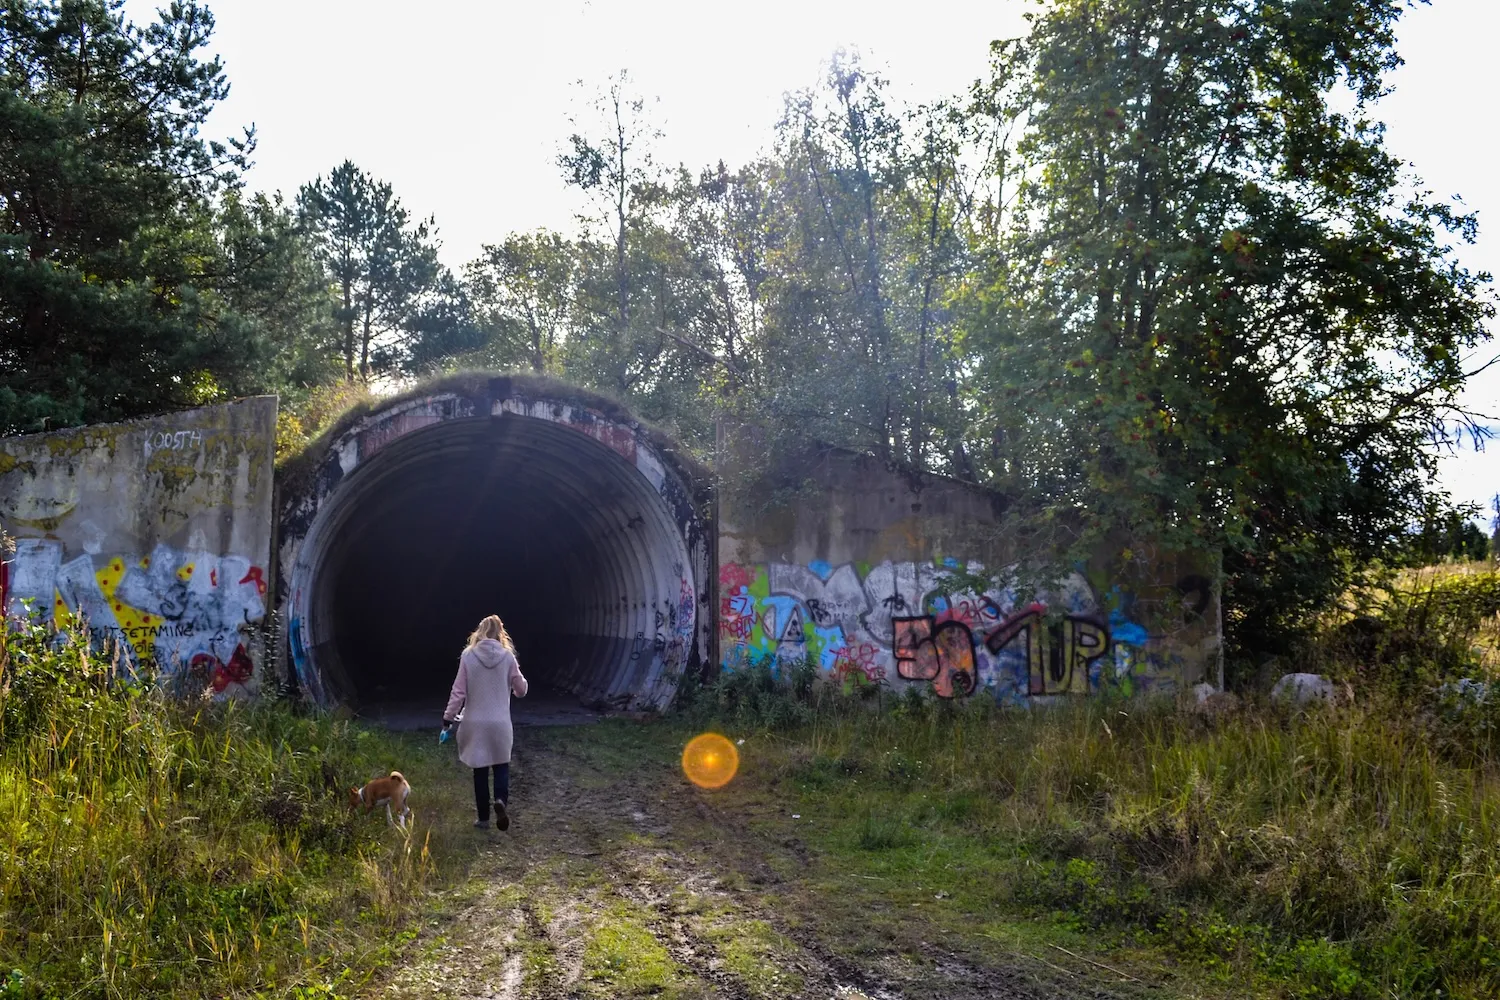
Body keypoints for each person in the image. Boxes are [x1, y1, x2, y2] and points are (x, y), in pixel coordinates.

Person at [443, 615, 528, 830]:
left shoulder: (468, 656)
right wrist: (517, 680)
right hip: (500, 724)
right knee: (501, 766)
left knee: (479, 771)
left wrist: (448, 718)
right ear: (501, 633)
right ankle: (500, 800)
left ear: (479, 631)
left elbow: (458, 691)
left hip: (474, 723)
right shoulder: (508, 657)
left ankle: (483, 819)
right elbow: (521, 690)